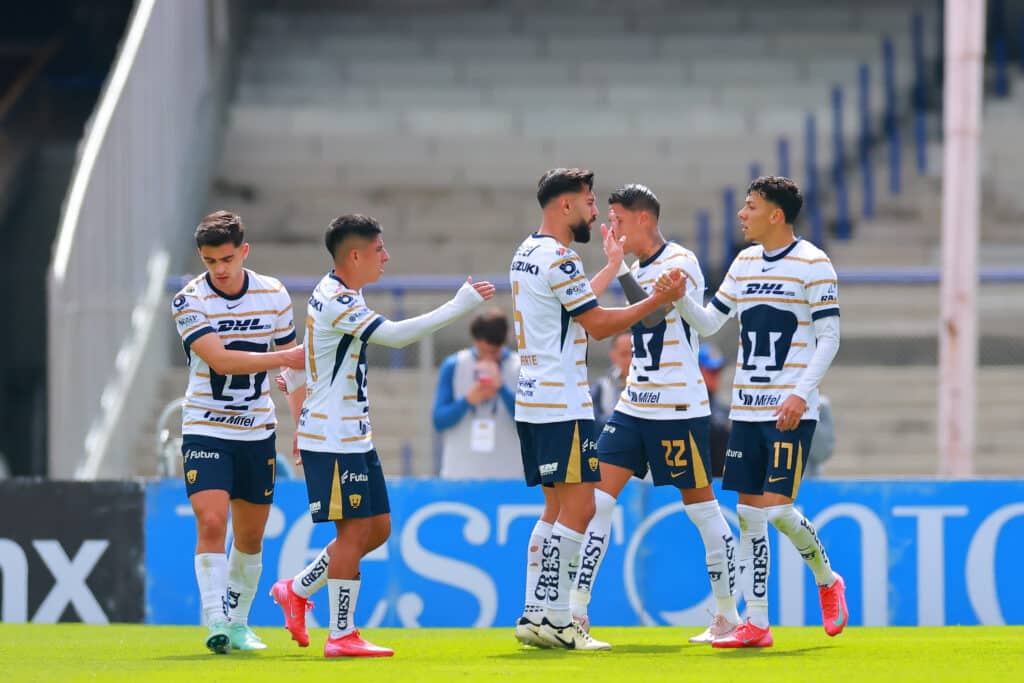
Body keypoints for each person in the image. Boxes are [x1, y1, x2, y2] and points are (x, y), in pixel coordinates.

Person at [269, 214, 494, 658]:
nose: (386, 257)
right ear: (355, 255)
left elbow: (303, 362)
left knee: (378, 530)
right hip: (332, 439)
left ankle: (295, 588)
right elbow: (394, 336)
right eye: (379, 250)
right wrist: (459, 304)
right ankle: (340, 635)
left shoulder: (338, 292)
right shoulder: (335, 299)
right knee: (353, 534)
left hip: (354, 436)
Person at [664, 176, 847, 648]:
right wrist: (678, 297)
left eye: (750, 207)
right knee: (749, 514)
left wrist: (801, 394)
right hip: (747, 408)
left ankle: (827, 580)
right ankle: (758, 623)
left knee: (779, 510)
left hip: (789, 408)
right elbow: (708, 322)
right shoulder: (744, 263)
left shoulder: (813, 263)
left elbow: (829, 338)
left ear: (776, 215)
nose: (742, 215)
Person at [510, 168, 686, 651]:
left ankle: (533, 613)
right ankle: (559, 619)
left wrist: (610, 268)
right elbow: (599, 325)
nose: (595, 211)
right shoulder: (562, 258)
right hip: (562, 399)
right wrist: (658, 298)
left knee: (554, 508)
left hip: (532, 397)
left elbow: (570, 303)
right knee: (583, 507)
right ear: (565, 206)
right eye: (589, 202)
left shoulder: (527, 252)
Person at [566, 184, 741, 645]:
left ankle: (728, 615)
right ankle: (576, 614)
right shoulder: (642, 268)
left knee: (702, 510)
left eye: (618, 219)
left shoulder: (679, 262)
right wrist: (618, 268)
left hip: (677, 408)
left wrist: (618, 268)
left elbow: (648, 318)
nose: (612, 227)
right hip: (633, 403)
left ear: (644, 219)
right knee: (596, 502)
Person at [171, 210, 305, 654]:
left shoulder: (273, 294)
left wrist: (300, 422)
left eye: (227, 259)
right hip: (205, 426)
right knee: (211, 520)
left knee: (250, 536)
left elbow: (293, 371)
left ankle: (239, 622)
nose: (220, 270)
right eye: (210, 261)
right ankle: (214, 620)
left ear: (243, 251)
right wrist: (283, 359)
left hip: (256, 430)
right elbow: (223, 360)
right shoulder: (189, 300)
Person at [432, 307, 521, 479]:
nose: (488, 358)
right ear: (475, 340)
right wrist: (467, 401)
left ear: (506, 339)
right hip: (460, 472)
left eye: (494, 352)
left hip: (509, 474)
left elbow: (529, 422)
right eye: (483, 351)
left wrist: (502, 388)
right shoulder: (454, 365)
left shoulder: (519, 367)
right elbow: (439, 420)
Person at [698, 342, 731, 477]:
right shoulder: (687, 407)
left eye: (718, 371)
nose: (716, 376)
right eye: (711, 371)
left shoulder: (721, 409)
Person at [590, 331, 631, 432]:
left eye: (634, 353)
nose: (630, 360)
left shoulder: (653, 386)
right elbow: (592, 421)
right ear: (613, 356)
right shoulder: (601, 387)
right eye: (624, 354)